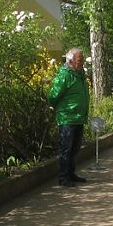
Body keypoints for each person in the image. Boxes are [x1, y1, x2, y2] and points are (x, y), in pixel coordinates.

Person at [47, 47, 90, 187]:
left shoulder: (80, 74)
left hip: (78, 117)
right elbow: (53, 95)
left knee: (75, 149)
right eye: (80, 60)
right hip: (67, 117)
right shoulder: (64, 75)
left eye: (82, 60)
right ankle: (63, 178)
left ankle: (71, 174)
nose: (82, 62)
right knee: (66, 149)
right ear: (71, 61)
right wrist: (54, 105)